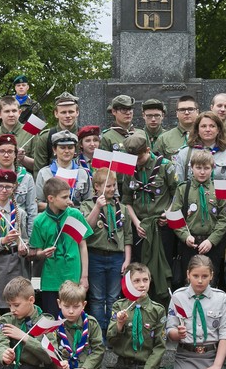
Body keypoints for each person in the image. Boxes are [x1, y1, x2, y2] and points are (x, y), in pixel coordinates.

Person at [167, 255, 226, 369]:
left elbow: (225, 334)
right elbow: (170, 330)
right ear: (188, 274)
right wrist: (178, 334)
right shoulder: (178, 297)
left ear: (212, 276)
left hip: (211, 356)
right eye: (195, 276)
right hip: (186, 356)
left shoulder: (220, 298)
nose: (200, 280)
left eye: (205, 276)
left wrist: (217, 366)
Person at [121, 132, 179, 304]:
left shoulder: (165, 166)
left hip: (162, 226)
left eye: (139, 157)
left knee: (163, 267)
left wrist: (168, 213)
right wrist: (136, 222)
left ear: (147, 149)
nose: (136, 162)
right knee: (141, 269)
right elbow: (127, 200)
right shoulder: (128, 168)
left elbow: (177, 193)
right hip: (140, 228)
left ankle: (162, 306)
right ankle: (141, 305)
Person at [108, 263, 168, 369]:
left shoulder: (158, 310)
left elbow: (160, 347)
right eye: (136, 281)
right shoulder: (119, 307)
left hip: (147, 364)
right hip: (125, 365)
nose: (142, 285)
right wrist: (119, 324)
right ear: (128, 282)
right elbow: (111, 341)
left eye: (145, 280)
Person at [81, 168, 131, 341]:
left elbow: (127, 236)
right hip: (95, 255)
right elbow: (86, 229)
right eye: (108, 186)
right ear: (96, 187)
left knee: (113, 298)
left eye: (114, 185)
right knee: (96, 298)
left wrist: (127, 260)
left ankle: (112, 335)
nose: (112, 189)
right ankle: (98, 337)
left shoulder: (122, 208)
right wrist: (97, 207)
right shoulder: (88, 205)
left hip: (117, 257)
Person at [28, 177, 91, 315]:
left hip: (73, 275)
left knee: (73, 315)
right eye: (64, 197)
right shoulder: (39, 221)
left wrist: (84, 276)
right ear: (51, 198)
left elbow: (82, 245)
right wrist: (43, 253)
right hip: (51, 279)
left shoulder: (74, 215)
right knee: (52, 318)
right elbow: (37, 252)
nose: (69, 201)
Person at [51, 281, 108, 369]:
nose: (71, 311)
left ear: (84, 304)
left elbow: (98, 350)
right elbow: (50, 349)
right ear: (59, 303)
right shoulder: (53, 325)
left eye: (76, 307)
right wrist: (59, 364)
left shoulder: (91, 324)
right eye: (66, 306)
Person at [168, 150, 226, 279]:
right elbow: (174, 216)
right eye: (198, 168)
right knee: (189, 279)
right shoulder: (183, 189)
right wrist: (185, 236)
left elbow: (224, 219)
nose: (202, 172)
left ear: (212, 168)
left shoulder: (219, 189)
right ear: (192, 168)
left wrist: (211, 240)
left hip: (211, 243)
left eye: (206, 168)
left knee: (211, 280)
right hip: (189, 243)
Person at [0, 169, 29, 312]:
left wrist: (23, 248)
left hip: (14, 265)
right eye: (0, 186)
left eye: (8, 187)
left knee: (13, 306)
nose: (4, 190)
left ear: (14, 188)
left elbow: (25, 239)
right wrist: (3, 241)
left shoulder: (19, 213)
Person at [0, 134, 37, 239]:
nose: (6, 155)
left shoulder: (27, 178)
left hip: (20, 234)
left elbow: (32, 210)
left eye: (10, 151)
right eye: (2, 151)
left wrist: (31, 240)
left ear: (16, 154)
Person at [34, 130, 92, 211]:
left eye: (70, 147)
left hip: (75, 218)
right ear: (54, 150)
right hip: (52, 219)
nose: (67, 151)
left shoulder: (82, 173)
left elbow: (89, 201)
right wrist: (58, 205)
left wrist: (75, 210)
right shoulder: (44, 173)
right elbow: (38, 203)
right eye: (62, 147)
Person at [0, 96, 33, 180]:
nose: (11, 114)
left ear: (19, 112)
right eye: (7, 111)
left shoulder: (30, 132)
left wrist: (23, 159)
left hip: (24, 184)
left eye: (14, 111)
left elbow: (39, 165)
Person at [173, 111, 226, 183]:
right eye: (203, 126)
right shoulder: (185, 153)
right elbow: (178, 185)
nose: (208, 130)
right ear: (197, 130)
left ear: (218, 130)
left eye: (212, 126)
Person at [32, 91, 80, 175]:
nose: (68, 115)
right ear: (56, 114)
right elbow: (39, 171)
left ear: (77, 113)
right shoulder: (45, 138)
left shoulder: (86, 137)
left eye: (71, 112)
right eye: (63, 112)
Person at [154, 95, 199, 161]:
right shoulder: (164, 139)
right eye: (182, 110)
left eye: (190, 109)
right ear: (177, 113)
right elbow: (156, 166)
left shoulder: (207, 136)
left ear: (197, 112)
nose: (186, 113)